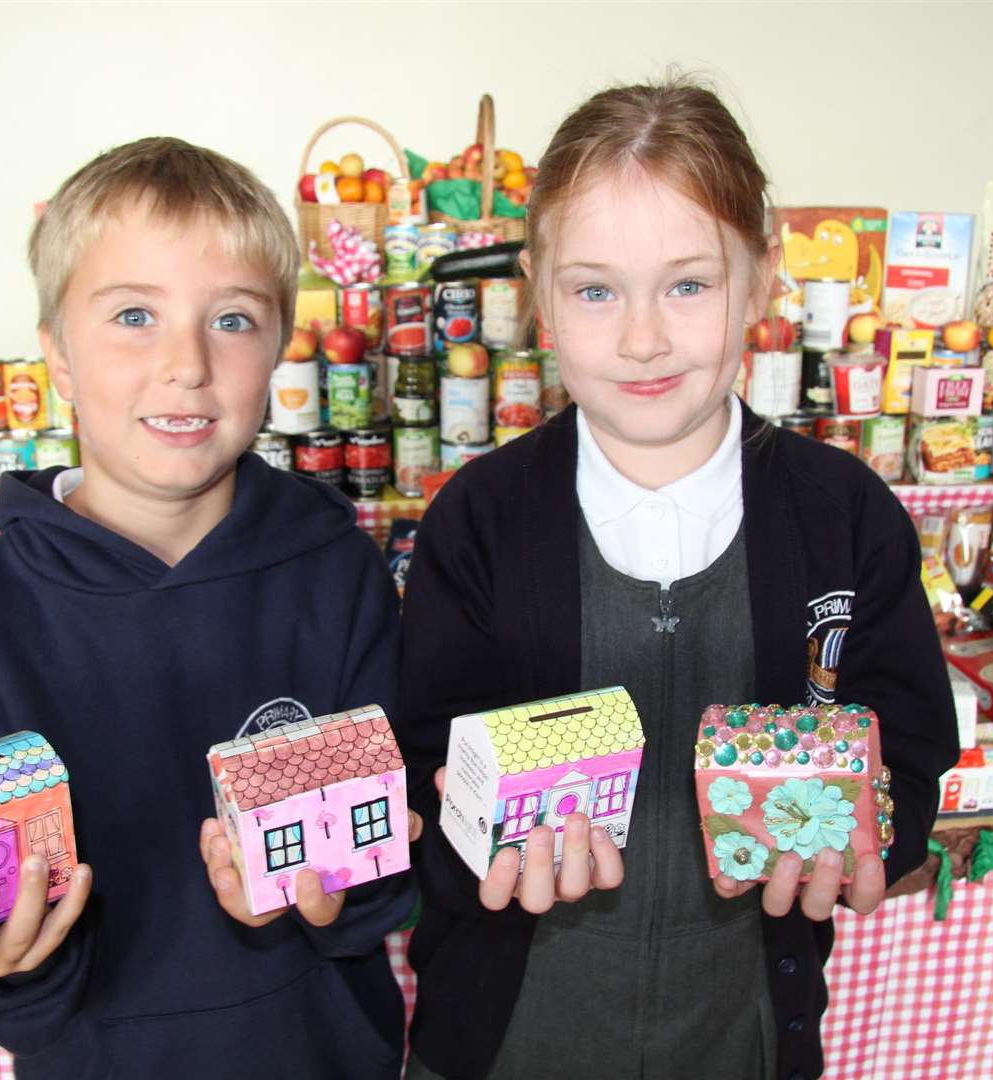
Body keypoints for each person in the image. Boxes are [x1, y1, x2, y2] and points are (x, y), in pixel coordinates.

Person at [394, 80, 958, 1080]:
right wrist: (478, 838)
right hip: (505, 1040)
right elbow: (427, 758)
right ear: (537, 290)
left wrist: (878, 828)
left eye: (688, 285)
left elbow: (907, 733)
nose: (643, 337)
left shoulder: (842, 514)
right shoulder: (478, 521)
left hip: (740, 1034)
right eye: (595, 289)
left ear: (760, 280)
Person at [0, 136, 415, 1079]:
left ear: (279, 351)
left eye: (232, 320)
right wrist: (10, 958)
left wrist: (337, 890)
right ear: (55, 353)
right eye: (135, 315)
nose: (185, 364)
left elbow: (382, 892)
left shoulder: (337, 570)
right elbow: (10, 984)